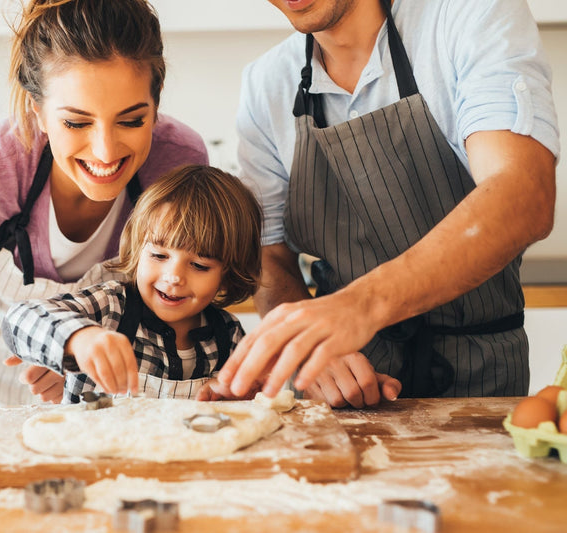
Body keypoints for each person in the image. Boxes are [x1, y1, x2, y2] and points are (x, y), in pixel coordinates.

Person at [219, 0, 559, 407]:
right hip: (346, 391)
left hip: (481, 380)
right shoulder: (266, 84)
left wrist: (362, 305)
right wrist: (313, 353)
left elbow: (523, 193)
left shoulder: (470, 15)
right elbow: (269, 255)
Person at [0, 0, 208, 407]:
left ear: (157, 99)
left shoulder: (177, 164)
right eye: (76, 122)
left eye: (132, 120)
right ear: (38, 112)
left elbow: (171, 312)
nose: (105, 151)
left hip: (96, 387)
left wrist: (79, 359)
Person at [2, 165, 263, 402]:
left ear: (228, 273)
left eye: (199, 265)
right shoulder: (109, 307)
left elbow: (250, 403)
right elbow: (18, 319)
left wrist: (235, 394)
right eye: (159, 255)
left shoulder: (228, 335)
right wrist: (80, 339)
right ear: (139, 250)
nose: (174, 277)